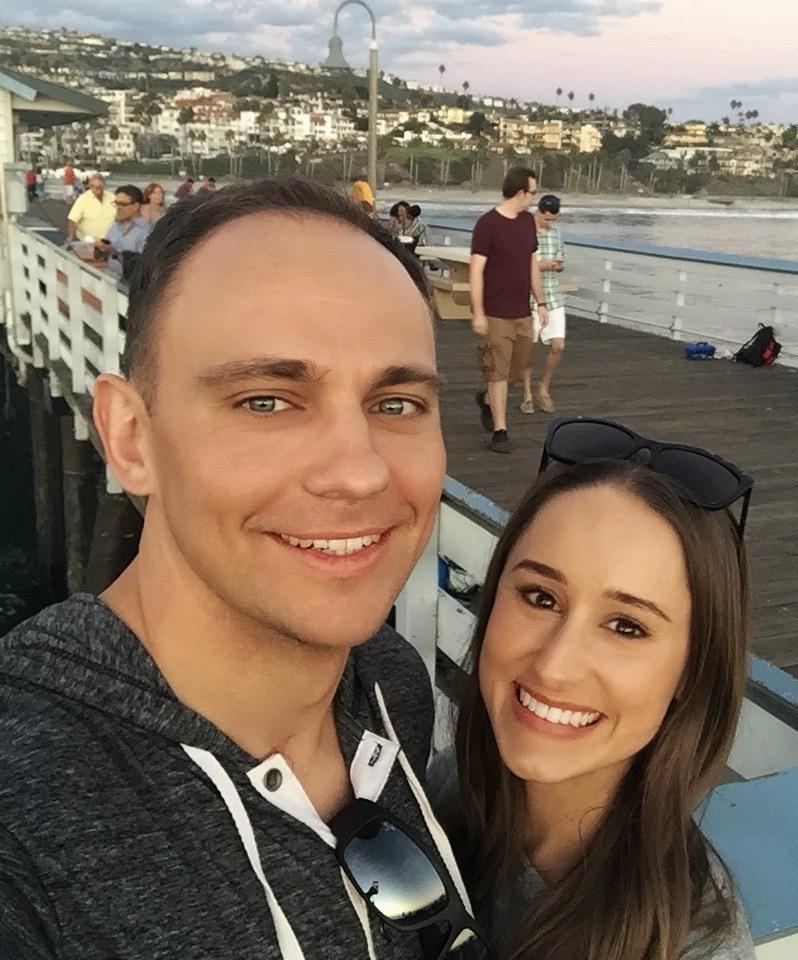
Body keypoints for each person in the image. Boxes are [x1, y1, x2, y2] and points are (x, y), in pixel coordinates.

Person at [0, 179, 475, 960]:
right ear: (130, 437)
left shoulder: (388, 688)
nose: (359, 475)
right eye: (266, 401)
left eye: (395, 405)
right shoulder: (27, 816)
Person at [437, 427, 755, 960]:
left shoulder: (689, 946)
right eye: (539, 597)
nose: (555, 667)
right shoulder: (448, 787)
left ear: (692, 673)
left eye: (626, 626)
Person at [471, 167, 549, 453]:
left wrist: (540, 302)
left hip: (522, 312)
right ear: (520, 193)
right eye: (533, 193)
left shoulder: (528, 223)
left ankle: (488, 401)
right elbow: (476, 270)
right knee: (497, 372)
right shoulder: (487, 224)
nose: (534, 198)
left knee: (517, 371)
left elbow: (532, 264)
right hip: (495, 312)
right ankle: (500, 429)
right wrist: (478, 313)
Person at [521, 195, 566, 415]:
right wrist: (540, 266)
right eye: (547, 219)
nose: (550, 223)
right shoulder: (525, 231)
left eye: (553, 220)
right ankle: (527, 393)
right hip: (527, 297)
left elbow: (562, 262)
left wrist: (556, 266)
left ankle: (544, 387)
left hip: (553, 296)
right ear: (538, 211)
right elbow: (519, 264)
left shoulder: (557, 234)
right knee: (528, 348)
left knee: (558, 345)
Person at [95, 184, 151, 279]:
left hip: (128, 286)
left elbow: (141, 267)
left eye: (123, 204)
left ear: (136, 206)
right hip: (109, 280)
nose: (118, 208)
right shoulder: (114, 225)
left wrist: (113, 252)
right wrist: (99, 249)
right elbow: (104, 255)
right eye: (116, 203)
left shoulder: (146, 231)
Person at [64, 173, 116, 243]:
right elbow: (72, 219)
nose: (94, 189)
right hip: (88, 242)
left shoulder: (112, 197)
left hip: (108, 241)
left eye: (98, 187)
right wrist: (70, 237)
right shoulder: (83, 199)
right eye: (92, 186)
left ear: (103, 186)